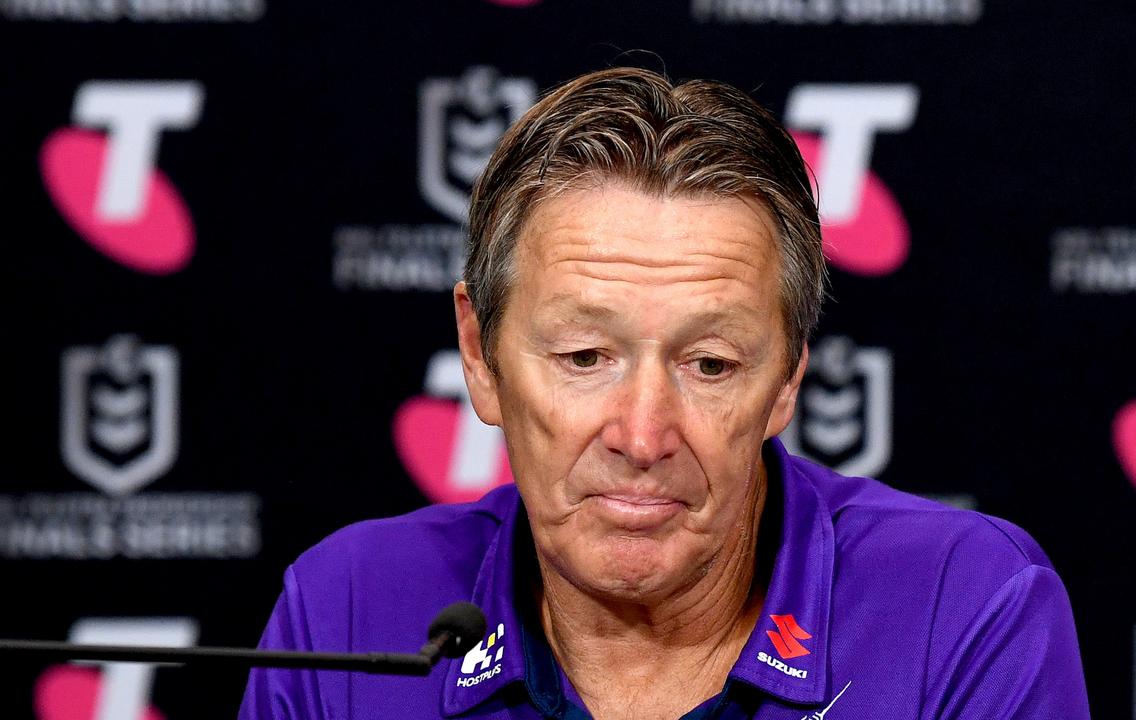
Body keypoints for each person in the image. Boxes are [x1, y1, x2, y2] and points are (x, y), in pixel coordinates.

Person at [239, 67, 1091, 720]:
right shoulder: (345, 613)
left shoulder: (964, 609)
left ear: (789, 374)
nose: (643, 437)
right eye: (583, 356)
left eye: (709, 365)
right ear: (479, 354)